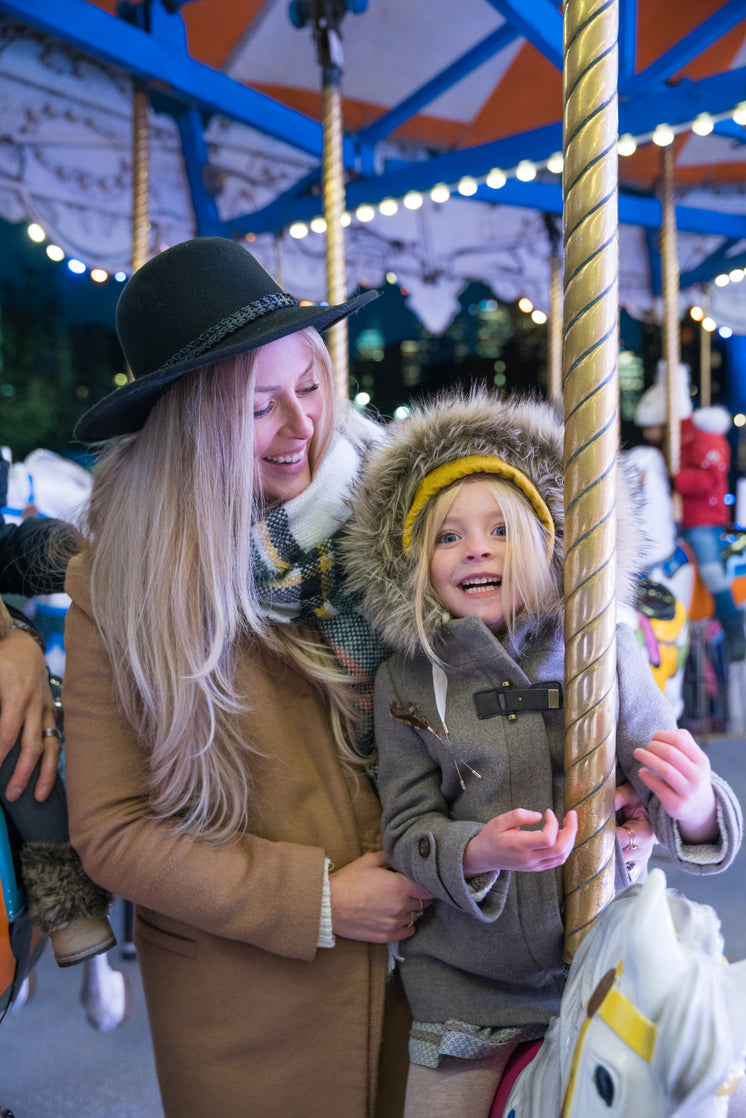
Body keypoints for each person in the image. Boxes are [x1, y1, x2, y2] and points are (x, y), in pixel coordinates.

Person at [62, 236, 432, 1118]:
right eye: (261, 407)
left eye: (309, 387)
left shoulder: (408, 521)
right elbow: (112, 829)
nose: (303, 427)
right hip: (249, 1005)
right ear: (192, 423)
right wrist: (318, 902)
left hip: (435, 976)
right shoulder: (117, 583)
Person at [341, 389, 743, 1118]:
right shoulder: (408, 678)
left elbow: (659, 766)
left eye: (501, 529)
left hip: (601, 963)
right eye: (447, 536)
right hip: (468, 988)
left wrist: (693, 805)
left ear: (546, 541)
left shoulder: (600, 647)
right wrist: (475, 851)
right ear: (415, 560)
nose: (476, 550)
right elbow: (405, 826)